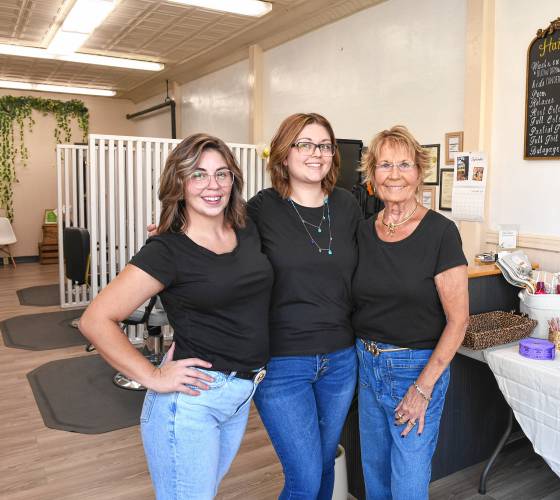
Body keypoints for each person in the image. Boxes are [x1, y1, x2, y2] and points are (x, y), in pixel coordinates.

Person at [79, 133, 274, 500]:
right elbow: (95, 320)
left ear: (234, 179)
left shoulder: (246, 230)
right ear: (179, 183)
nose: (212, 185)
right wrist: (151, 374)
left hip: (240, 394)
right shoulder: (166, 250)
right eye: (198, 174)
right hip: (192, 403)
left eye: (222, 174)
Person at [247, 113, 361, 499]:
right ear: (284, 153)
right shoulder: (260, 209)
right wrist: (176, 233)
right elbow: (220, 252)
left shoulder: (347, 205)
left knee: (326, 463)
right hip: (283, 363)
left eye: (325, 146)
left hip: (341, 360)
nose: (317, 153)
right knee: (305, 475)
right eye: (305, 144)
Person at [352, 125, 469, 499]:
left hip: (415, 368)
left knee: (407, 482)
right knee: (375, 473)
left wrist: (422, 388)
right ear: (372, 175)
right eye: (384, 165)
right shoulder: (363, 231)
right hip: (366, 363)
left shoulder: (441, 232)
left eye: (404, 164)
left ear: (419, 173)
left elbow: (459, 321)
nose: (394, 174)